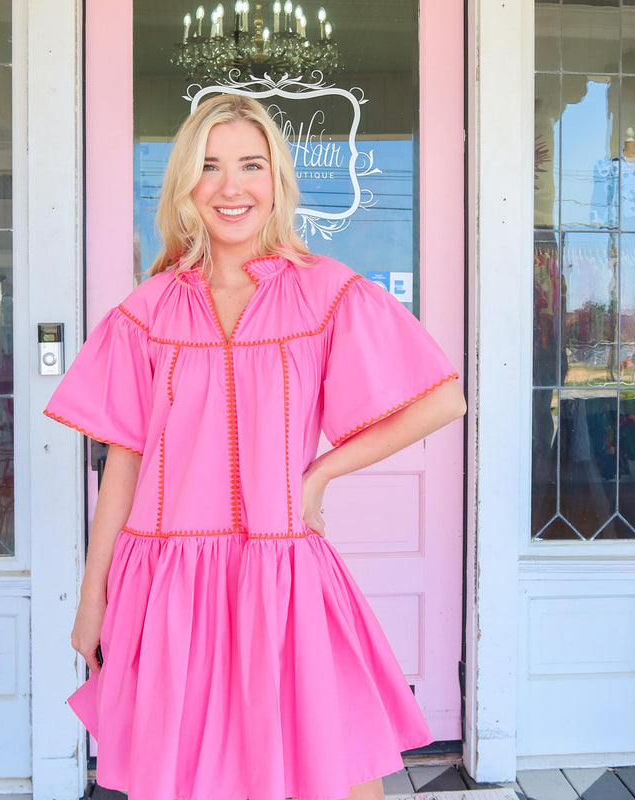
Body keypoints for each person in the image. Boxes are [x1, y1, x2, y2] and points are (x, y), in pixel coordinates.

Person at [44, 94, 467, 800]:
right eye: (209, 167)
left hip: (284, 577)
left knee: (340, 775)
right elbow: (123, 461)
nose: (230, 186)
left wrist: (320, 474)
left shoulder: (326, 293)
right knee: (190, 780)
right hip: (172, 588)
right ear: (185, 183)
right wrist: (94, 599)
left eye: (250, 165)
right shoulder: (145, 313)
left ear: (276, 180)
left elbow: (442, 399)